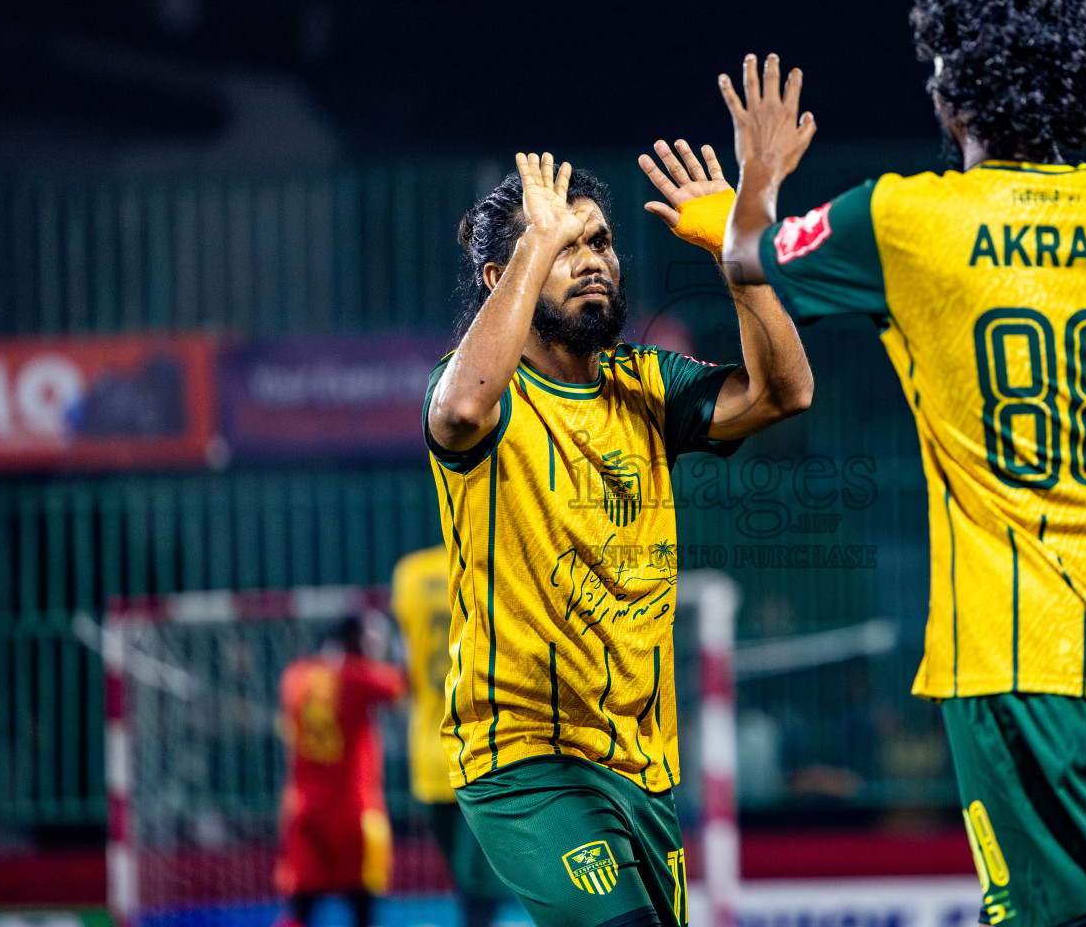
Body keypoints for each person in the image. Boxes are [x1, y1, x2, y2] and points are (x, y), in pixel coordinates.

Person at [714, 0, 1086, 927]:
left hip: (1012, 648)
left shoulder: (906, 219)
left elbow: (749, 255)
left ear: (952, 89)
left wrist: (757, 181)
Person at [424, 147, 811, 927]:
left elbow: (785, 392)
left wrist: (740, 255)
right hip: (525, 761)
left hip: (641, 765)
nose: (591, 260)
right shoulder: (479, 394)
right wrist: (534, 240)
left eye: (597, 241)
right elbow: (460, 410)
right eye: (563, 246)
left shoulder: (646, 383)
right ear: (507, 275)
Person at [392, 545, 514, 927]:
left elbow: (403, 664)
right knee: (480, 881)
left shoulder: (410, 573)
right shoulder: (497, 561)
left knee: (470, 880)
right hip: (485, 750)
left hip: (428, 754)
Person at [274, 613, 407, 927]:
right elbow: (403, 687)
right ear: (355, 641)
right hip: (353, 813)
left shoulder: (295, 676)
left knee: (298, 910)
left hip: (304, 810)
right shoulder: (358, 677)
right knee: (362, 907)